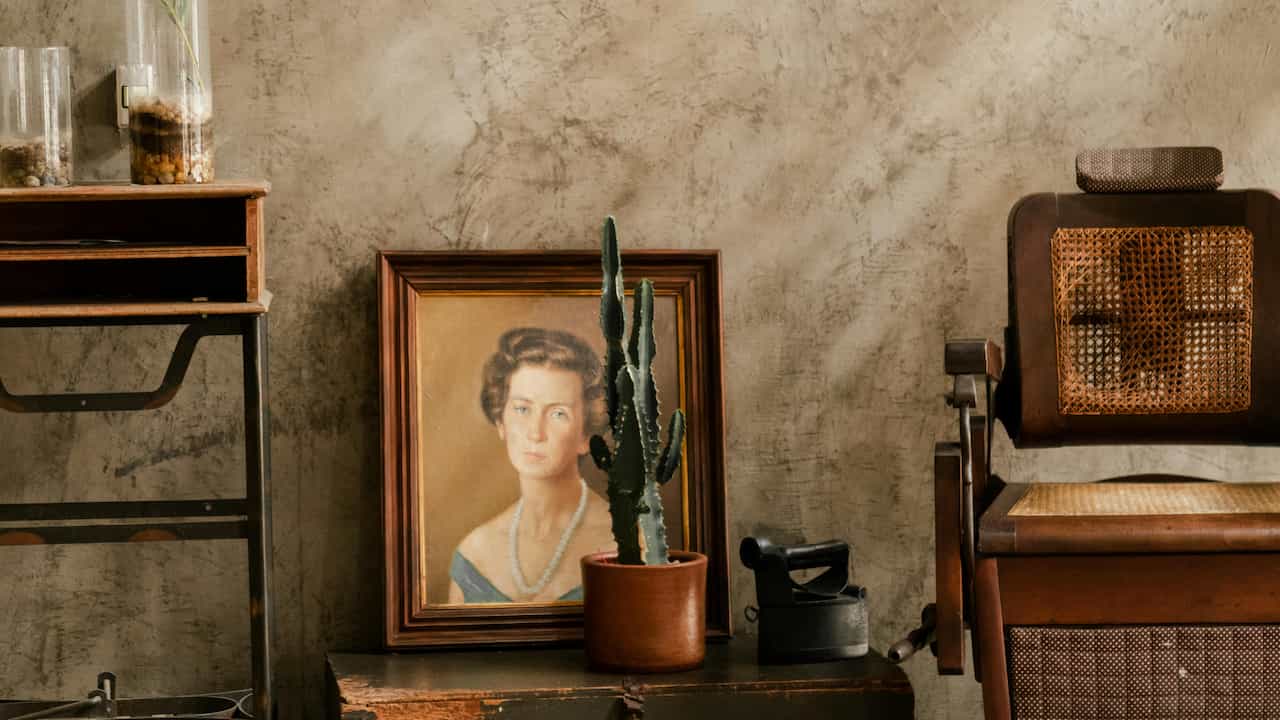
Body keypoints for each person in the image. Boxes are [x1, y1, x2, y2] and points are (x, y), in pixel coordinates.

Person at [448, 327, 615, 603]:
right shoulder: (474, 552)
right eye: (522, 409)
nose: (535, 433)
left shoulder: (627, 541)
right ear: (501, 422)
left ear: (586, 436)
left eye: (558, 413)